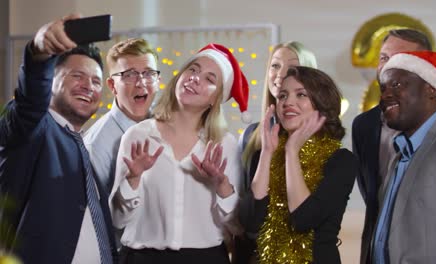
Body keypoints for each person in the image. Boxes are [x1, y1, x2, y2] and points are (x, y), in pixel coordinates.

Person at [109, 43, 250, 263]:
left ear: (216, 99)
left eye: (209, 79)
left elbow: (237, 227)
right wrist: (132, 179)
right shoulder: (138, 136)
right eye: (192, 70)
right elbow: (118, 220)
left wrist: (222, 185)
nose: (195, 78)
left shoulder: (225, 145)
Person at [0, 15, 117, 263]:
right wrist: (40, 53)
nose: (89, 86)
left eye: (96, 81)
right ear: (50, 79)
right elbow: (29, 103)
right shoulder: (34, 129)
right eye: (78, 76)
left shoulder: (80, 144)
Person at [351, 29, 436, 264]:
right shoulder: (400, 151)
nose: (386, 95)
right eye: (384, 88)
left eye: (397, 83)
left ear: (430, 87)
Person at [240, 66, 357, 264]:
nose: (288, 103)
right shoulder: (264, 153)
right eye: (282, 96)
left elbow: (303, 220)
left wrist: (291, 152)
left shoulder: (341, 160)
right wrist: (268, 153)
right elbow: (251, 223)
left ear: (321, 103)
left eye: (301, 94)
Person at [235, 41, 318, 264]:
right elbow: (245, 210)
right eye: (275, 66)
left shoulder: (321, 141)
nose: (280, 74)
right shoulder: (250, 136)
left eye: (291, 67)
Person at [84, 38, 159, 194]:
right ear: (112, 85)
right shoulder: (96, 145)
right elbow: (98, 213)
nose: (141, 82)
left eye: (149, 73)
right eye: (130, 75)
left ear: (158, 80)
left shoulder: (168, 126)